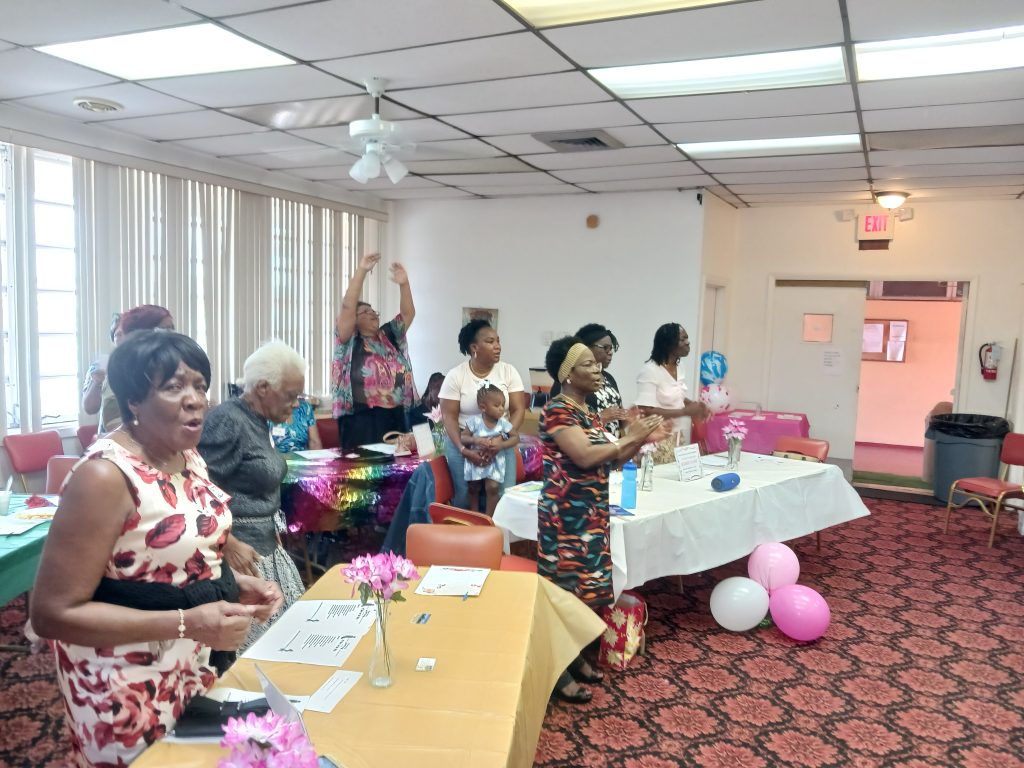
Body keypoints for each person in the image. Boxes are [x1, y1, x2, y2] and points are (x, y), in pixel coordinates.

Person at [31, 330, 283, 767]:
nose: (195, 400)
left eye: (200, 385)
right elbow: (52, 614)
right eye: (173, 387)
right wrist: (188, 621)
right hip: (122, 685)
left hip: (190, 663)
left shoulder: (186, 456)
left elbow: (169, 559)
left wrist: (231, 586)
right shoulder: (105, 477)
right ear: (133, 400)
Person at [538, 336, 663, 704]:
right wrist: (630, 438)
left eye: (597, 364)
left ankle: (573, 656)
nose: (598, 369)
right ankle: (556, 670)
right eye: (588, 364)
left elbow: (612, 459)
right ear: (567, 374)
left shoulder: (587, 411)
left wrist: (640, 438)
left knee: (587, 591)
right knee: (563, 594)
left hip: (591, 515)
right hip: (566, 520)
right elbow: (585, 456)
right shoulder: (557, 410)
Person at [199, 341, 308, 647]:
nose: (296, 404)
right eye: (290, 395)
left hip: (263, 547)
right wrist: (227, 542)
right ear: (262, 388)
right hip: (240, 557)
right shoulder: (228, 420)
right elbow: (197, 487)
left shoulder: (257, 420)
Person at [332, 252, 417, 450]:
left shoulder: (389, 336)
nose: (372, 313)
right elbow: (347, 306)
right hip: (361, 419)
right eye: (365, 311)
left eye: (374, 311)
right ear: (354, 319)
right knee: (365, 467)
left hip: (396, 416)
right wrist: (362, 271)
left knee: (398, 464)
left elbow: (408, 313)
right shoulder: (348, 341)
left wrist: (404, 284)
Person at [439, 319, 526, 507]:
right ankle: (469, 525)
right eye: (490, 341)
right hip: (464, 442)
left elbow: (518, 409)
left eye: (498, 341)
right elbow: (449, 417)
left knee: (503, 495)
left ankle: (494, 526)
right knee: (464, 496)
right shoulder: (456, 375)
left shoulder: (508, 371)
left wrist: (502, 438)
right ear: (474, 348)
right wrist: (464, 450)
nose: (497, 346)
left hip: (500, 443)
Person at [92, 305, 176, 434]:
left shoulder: (168, 367)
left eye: (172, 329)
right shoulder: (121, 372)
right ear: (142, 333)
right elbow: (116, 428)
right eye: (164, 329)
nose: (172, 335)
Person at [635, 322, 710, 460]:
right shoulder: (650, 370)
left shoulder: (679, 367)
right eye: (682, 339)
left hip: (676, 436)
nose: (688, 342)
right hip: (656, 439)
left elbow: (676, 396)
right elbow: (646, 410)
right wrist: (685, 412)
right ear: (668, 344)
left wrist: (695, 406)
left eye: (687, 338)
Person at [549, 323, 629, 437]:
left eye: (611, 348)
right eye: (605, 348)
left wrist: (629, 418)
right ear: (586, 348)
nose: (610, 352)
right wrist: (601, 417)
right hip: (588, 443)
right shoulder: (565, 383)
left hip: (612, 443)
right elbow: (567, 425)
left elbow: (619, 415)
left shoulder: (609, 378)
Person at [461, 383, 519, 516]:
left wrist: (502, 445)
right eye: (497, 405)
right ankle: (474, 516)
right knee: (473, 488)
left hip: (495, 461)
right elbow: (463, 438)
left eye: (503, 405)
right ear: (483, 407)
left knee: (493, 488)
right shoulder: (474, 422)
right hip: (475, 459)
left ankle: (489, 518)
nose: (501, 409)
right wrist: (475, 440)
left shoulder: (503, 423)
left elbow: (515, 438)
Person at [81, 312, 122, 418]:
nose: (120, 334)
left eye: (126, 331)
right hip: (110, 428)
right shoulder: (100, 366)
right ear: (113, 338)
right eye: (117, 333)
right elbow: (90, 409)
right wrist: (97, 382)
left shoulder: (145, 364)